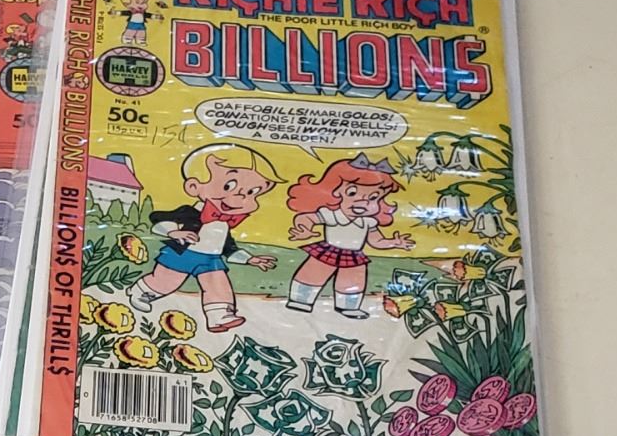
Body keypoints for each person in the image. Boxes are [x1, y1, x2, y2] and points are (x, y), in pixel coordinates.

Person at [131, 143, 279, 334]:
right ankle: (140, 292)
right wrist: (174, 232)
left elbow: (228, 247)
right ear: (194, 187)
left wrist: (250, 259)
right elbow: (159, 218)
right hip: (182, 253)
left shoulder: (224, 224)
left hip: (210, 259)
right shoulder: (189, 212)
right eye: (229, 186)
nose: (241, 196)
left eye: (252, 192)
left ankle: (220, 316)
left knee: (219, 286)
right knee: (165, 282)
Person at [285, 156, 414, 319]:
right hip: (329, 250)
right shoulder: (333, 215)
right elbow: (306, 217)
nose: (362, 202)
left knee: (353, 281)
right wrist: (304, 229)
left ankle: (348, 306)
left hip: (354, 255)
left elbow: (376, 241)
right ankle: (300, 300)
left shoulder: (368, 221)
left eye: (373, 197)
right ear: (336, 192)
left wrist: (393, 242)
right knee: (313, 274)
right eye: (352, 193)